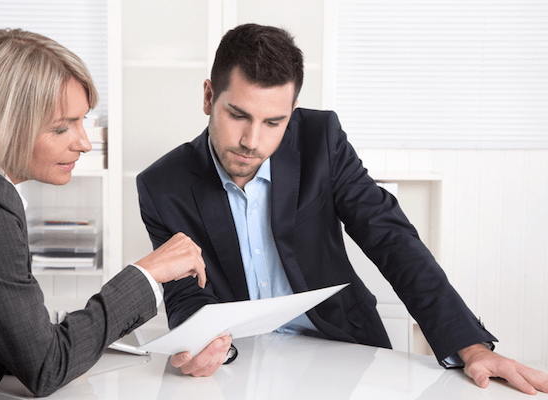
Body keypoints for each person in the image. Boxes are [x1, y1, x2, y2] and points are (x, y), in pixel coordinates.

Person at [137, 23, 548, 394]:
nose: (252, 141)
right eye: (238, 115)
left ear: (292, 113)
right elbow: (185, 293)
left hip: (341, 347)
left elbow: (389, 236)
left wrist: (470, 345)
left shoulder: (321, 140)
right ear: (210, 96)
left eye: (273, 123)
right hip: (238, 364)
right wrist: (202, 343)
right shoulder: (162, 186)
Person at [0, 29, 206, 400]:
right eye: (61, 127)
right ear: (5, 122)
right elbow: (46, 366)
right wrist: (148, 274)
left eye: (83, 121)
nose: (84, 143)